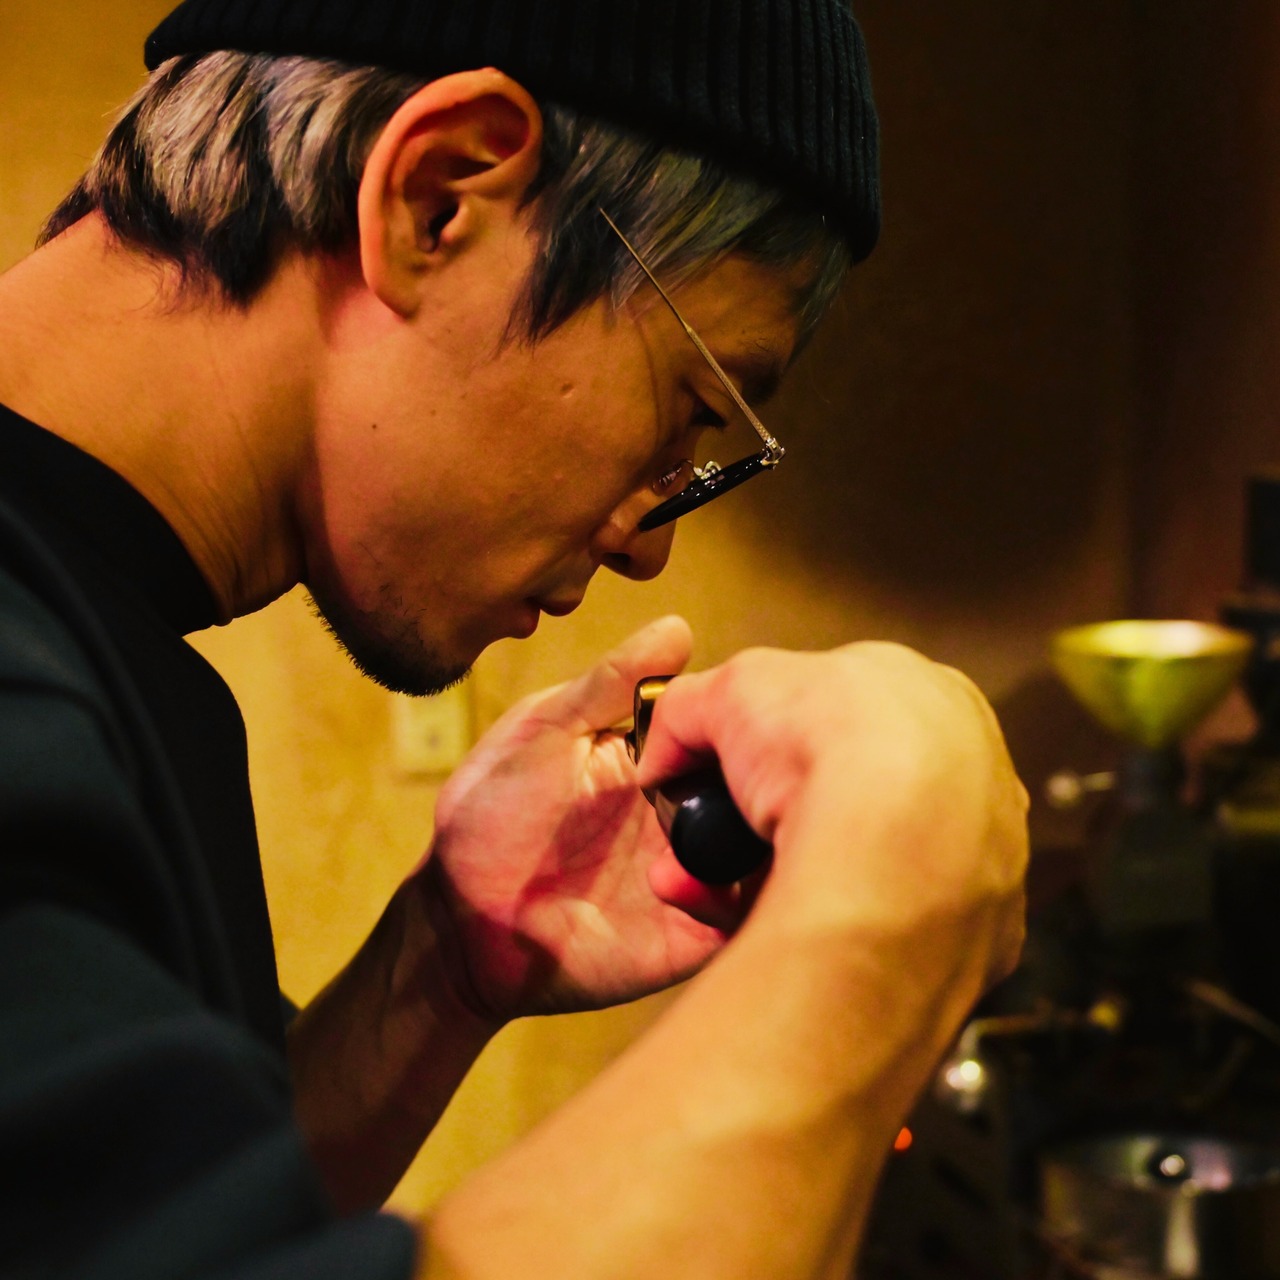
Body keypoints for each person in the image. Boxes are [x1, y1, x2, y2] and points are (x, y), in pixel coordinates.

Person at [0, 1, 1028, 1277]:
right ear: (439, 198)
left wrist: (443, 961)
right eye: (689, 409)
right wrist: (888, 905)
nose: (648, 545)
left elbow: (156, 1228)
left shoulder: (99, 638)